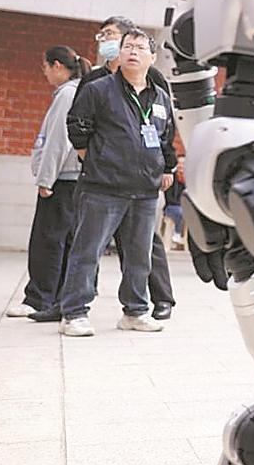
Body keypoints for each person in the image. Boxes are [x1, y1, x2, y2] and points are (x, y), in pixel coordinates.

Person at [54, 28, 177, 336]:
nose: (133, 52)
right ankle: (74, 313)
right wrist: (96, 159)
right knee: (87, 251)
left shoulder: (160, 97)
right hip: (103, 187)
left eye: (140, 47)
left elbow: (165, 137)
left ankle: (135, 311)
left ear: (152, 57)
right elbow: (77, 126)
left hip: (145, 190)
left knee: (139, 256)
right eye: (128, 46)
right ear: (120, 54)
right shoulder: (99, 89)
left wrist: (166, 167)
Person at [9, 47, 85, 317]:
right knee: (63, 241)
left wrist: (46, 179)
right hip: (72, 180)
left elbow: (58, 141)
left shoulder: (67, 94)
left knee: (47, 241)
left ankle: (38, 299)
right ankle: (55, 299)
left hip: (61, 179)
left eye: (45, 67)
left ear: (57, 66)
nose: (45, 73)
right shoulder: (76, 91)